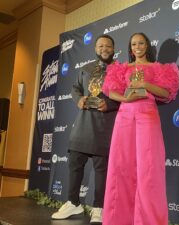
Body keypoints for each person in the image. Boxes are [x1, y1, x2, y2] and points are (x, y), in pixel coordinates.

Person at [102, 32, 179, 225]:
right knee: (121, 167)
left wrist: (145, 83)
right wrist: (125, 98)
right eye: (134, 44)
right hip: (125, 117)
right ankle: (118, 220)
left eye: (141, 43)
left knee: (149, 170)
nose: (138, 47)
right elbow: (111, 90)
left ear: (147, 45)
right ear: (130, 47)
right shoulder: (122, 68)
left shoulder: (158, 68)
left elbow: (167, 93)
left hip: (148, 116)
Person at [51, 34, 119, 224]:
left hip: (104, 126)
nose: (103, 49)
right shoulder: (86, 69)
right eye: (100, 46)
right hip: (83, 125)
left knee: (101, 170)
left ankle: (99, 208)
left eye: (107, 46)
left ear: (113, 49)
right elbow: (75, 88)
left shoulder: (120, 70)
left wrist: (111, 104)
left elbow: (127, 95)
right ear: (95, 49)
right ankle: (73, 202)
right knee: (74, 164)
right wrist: (78, 99)